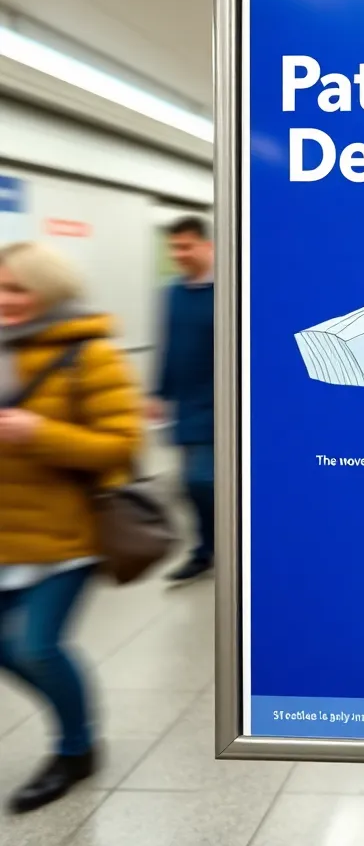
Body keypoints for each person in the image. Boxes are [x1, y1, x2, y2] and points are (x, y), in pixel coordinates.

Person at [0, 241, 140, 812]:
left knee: (36, 646)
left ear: (48, 291)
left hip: (66, 538)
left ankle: (76, 748)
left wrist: (41, 434)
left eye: (16, 288)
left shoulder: (90, 354)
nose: (4, 299)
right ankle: (76, 729)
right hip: (5, 531)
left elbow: (124, 445)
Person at [149, 216, 215, 584]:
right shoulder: (172, 292)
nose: (179, 254)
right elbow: (170, 345)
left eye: (186, 246)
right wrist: (159, 392)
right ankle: (209, 547)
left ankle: (216, 545)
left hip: (223, 405)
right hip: (188, 403)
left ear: (208, 246)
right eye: (174, 247)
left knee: (201, 479)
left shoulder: (231, 289)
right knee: (192, 484)